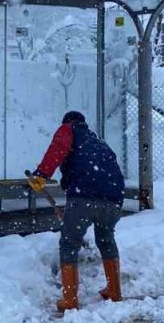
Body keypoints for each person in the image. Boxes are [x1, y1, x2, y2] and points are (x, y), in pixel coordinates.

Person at [28, 111, 126, 312]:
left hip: (84, 197)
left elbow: (57, 149)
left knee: (69, 243)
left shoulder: (69, 130)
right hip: (113, 200)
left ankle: (70, 299)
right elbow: (95, 169)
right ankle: (115, 291)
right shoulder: (98, 142)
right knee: (106, 240)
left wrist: (41, 175)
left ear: (68, 122)